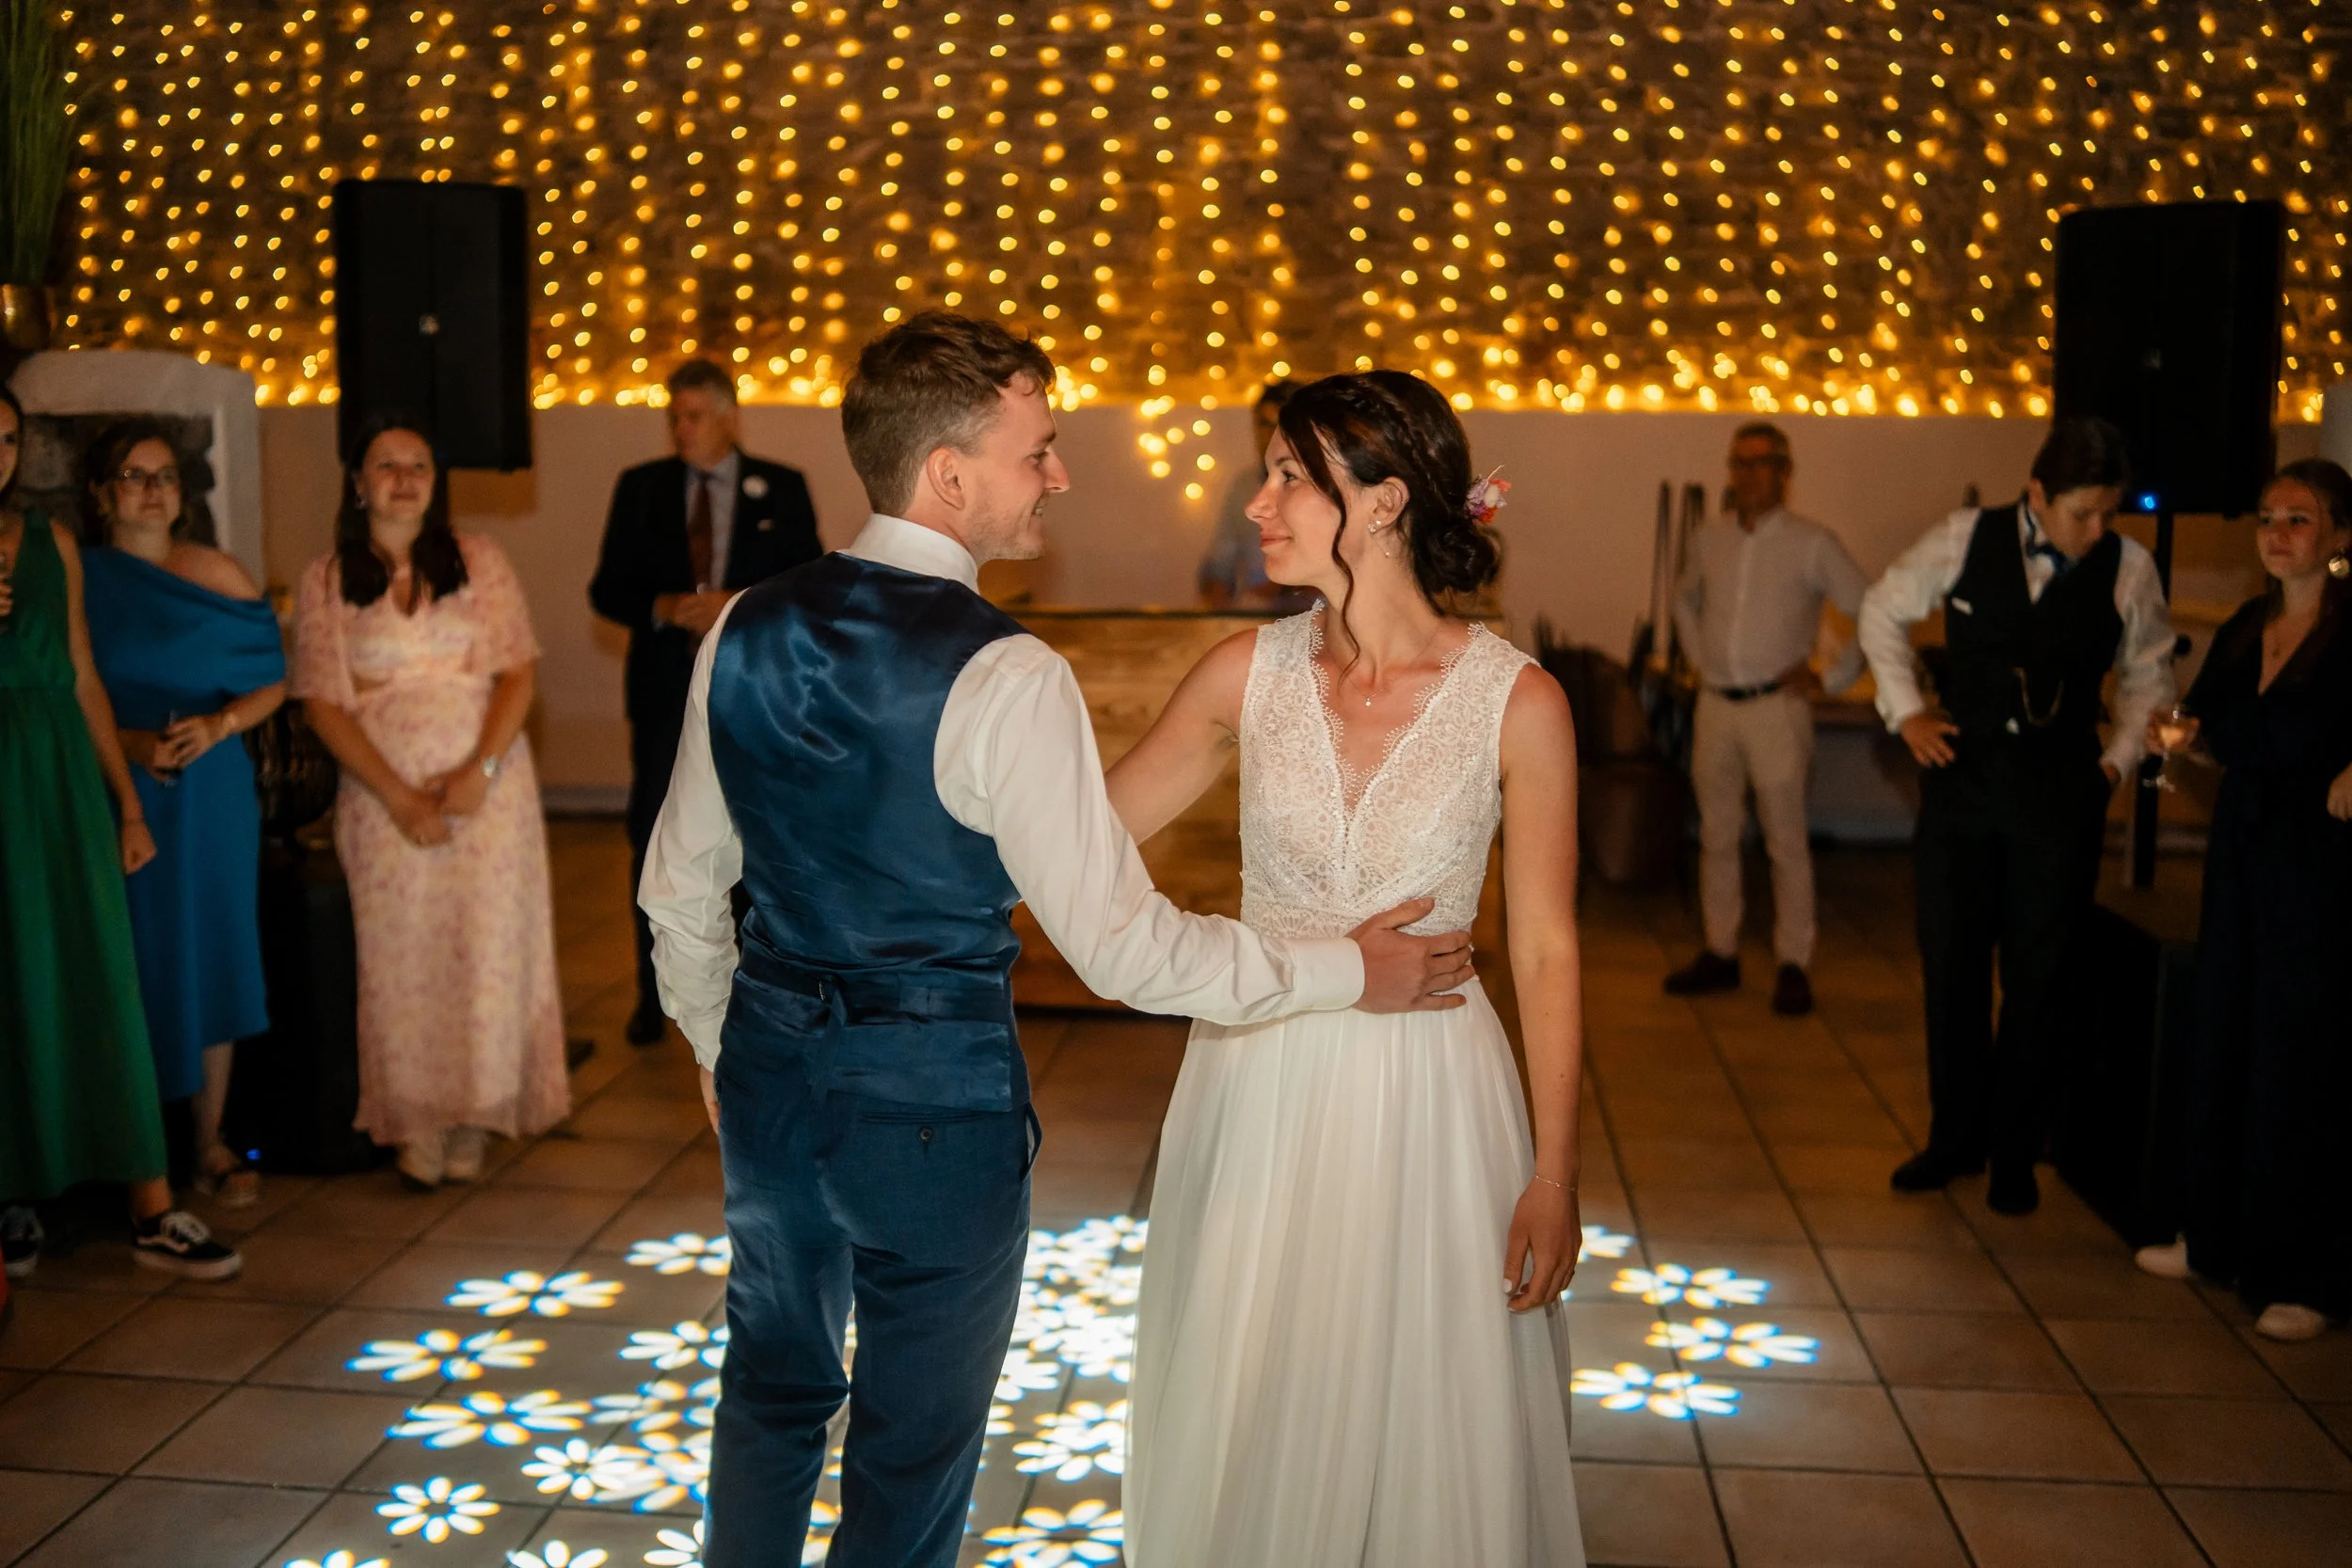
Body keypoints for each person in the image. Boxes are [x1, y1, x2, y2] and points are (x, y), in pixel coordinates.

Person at [638, 313, 1473, 1568]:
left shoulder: (744, 622)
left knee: (768, 1391)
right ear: (948, 474)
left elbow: (679, 889)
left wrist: (722, 1048)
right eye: (1037, 452)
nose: (1059, 475)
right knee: (910, 1457)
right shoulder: (1008, 673)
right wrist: (1348, 965)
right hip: (933, 1113)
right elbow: (1127, 950)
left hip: (770, 1076)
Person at [1110, 371, 1583, 1566]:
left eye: (1288, 476)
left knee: (1420, 1403)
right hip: (1258, 1085)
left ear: (1381, 501)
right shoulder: (1244, 672)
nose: (1257, 503)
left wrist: (1554, 1172)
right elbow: (1085, 836)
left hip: (1430, 1102)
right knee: (1253, 1377)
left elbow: (1544, 947)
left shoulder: (1518, 701)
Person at [1857, 417, 2173, 1216]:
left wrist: (2113, 764)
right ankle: (1953, 1137)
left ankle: (2015, 1151)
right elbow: (1881, 609)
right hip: (1963, 788)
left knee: (2040, 976)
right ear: (2038, 492)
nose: (2096, 530)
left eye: (2107, 514)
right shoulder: (1966, 536)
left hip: (2062, 793)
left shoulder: (2130, 567)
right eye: (2082, 513)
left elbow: (2148, 675)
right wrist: (1907, 712)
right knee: (1952, 966)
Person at [0, 388, 243, 1281]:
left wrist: (128, 805)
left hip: (60, 773)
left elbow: (80, 673)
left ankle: (151, 1202)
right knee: (11, 974)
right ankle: (15, 1194)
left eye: (8, 438)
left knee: (99, 968)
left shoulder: (50, 541)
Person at [293, 416, 567, 1190]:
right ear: (358, 484)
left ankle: (477, 1111)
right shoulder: (325, 579)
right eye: (387, 465)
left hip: (489, 793)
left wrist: (479, 770)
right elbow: (322, 702)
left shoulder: (480, 561)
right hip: (382, 796)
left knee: (483, 949)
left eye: (418, 464)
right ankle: (417, 1116)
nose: (404, 478)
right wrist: (399, 796)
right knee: (403, 954)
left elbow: (517, 673)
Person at [2134, 458, 2352, 1341]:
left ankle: (2304, 1274)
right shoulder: (2243, 625)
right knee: (2225, 1027)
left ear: (2340, 536)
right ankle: (2215, 1237)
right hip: (2242, 851)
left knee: (2300, 1055)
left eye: (2298, 518)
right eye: (2267, 517)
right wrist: (2180, 736)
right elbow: (2210, 728)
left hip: (2322, 861)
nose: (2277, 533)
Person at [81, 419, 287, 1209]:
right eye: (133, 475)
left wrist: (221, 724)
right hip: (116, 783)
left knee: (213, 949)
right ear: (102, 494)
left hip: (210, 787)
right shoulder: (81, 578)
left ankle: (209, 1139)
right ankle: (131, 1148)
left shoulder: (216, 571)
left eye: (165, 475)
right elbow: (70, 683)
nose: (152, 490)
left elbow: (272, 679)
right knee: (130, 954)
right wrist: (131, 744)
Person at [590, 358, 824, 1047]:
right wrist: (663, 607)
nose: (681, 429)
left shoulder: (781, 486)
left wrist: (737, 603)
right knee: (657, 841)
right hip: (665, 697)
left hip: (755, 698)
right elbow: (607, 589)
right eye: (674, 417)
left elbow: (808, 584)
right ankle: (652, 996)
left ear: (729, 416)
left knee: (755, 843)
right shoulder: (641, 488)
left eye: (694, 416)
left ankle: (755, 992)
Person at [1663, 422, 1868, 1016]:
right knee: (1716, 835)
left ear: (1784, 472)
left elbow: (1871, 608)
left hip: (1776, 710)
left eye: (1760, 464)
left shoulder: (1812, 543)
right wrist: (1700, 661)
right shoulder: (1711, 537)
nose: (1747, 475)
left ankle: (1793, 962)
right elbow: (1684, 600)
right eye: (1739, 463)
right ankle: (1721, 950)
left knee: (1785, 841)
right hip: (1716, 706)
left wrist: (1831, 676)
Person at [1197, 377, 1313, 610]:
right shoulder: (1244, 486)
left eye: (1281, 426)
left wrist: (1278, 588)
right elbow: (1219, 564)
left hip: (1320, 619)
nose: (1271, 436)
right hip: (1257, 619)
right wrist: (1217, 602)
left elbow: (1343, 563)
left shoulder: (1324, 486)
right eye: (1264, 425)